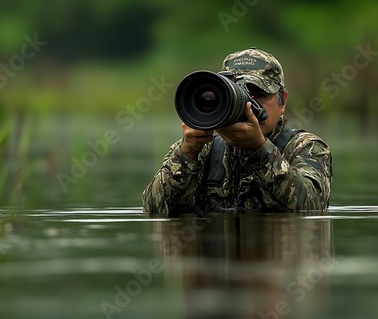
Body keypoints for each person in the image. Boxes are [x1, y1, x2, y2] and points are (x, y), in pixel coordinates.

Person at [142, 47, 333, 214]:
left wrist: (259, 150)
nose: (248, 106)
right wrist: (186, 153)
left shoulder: (306, 147)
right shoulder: (203, 148)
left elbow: (310, 206)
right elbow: (154, 210)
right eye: (241, 97)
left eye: (259, 95)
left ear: (282, 100)